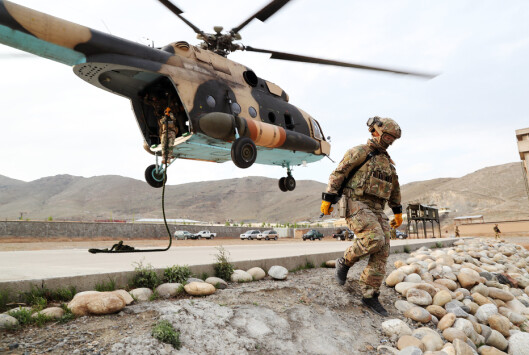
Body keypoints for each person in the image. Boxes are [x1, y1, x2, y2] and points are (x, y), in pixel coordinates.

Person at [321, 116, 402, 317]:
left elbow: (394, 188)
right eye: (388, 136)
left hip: (376, 208)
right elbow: (338, 173)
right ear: (376, 131)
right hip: (355, 202)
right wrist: (328, 198)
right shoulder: (360, 152)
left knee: (382, 248)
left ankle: (369, 294)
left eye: (393, 138)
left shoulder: (389, 164)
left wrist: (398, 211)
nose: (390, 141)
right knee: (374, 238)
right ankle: (345, 262)